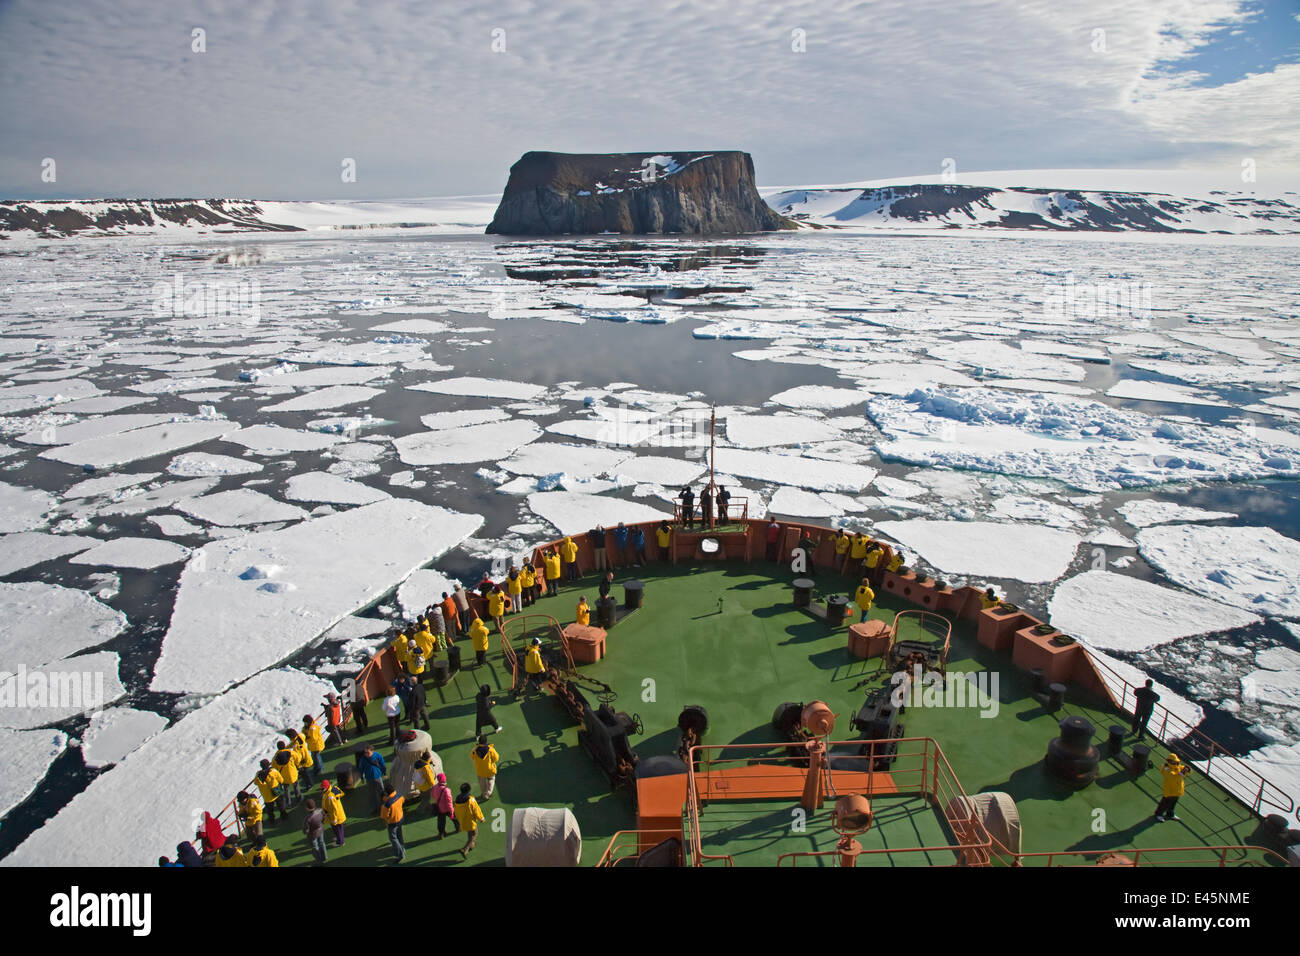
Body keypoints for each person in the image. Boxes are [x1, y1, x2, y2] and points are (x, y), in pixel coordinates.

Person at [1154, 754, 1189, 822]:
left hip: (1177, 790)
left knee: (1173, 803)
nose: (1176, 763)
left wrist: (1187, 770)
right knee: (1164, 803)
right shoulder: (1166, 769)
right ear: (1169, 761)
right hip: (1169, 790)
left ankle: (1170, 814)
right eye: (1174, 762)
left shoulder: (1177, 767)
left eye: (1176, 762)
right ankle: (1158, 814)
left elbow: (1183, 771)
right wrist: (1182, 773)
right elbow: (1173, 778)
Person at [454, 783, 485, 859]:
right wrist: (481, 818)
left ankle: (471, 845)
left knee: (469, 832)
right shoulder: (471, 800)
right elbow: (476, 810)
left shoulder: (457, 798)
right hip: (470, 821)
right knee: (474, 834)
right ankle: (465, 849)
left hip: (462, 820)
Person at [356, 745, 387, 814]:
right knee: (371, 794)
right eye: (365, 753)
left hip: (378, 777)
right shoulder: (363, 759)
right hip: (369, 778)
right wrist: (362, 778)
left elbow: (383, 764)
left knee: (381, 791)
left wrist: (384, 773)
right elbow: (361, 769)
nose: (366, 754)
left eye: (368, 753)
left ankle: (385, 805)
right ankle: (374, 808)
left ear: (372, 751)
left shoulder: (378, 756)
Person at [380, 782, 406, 863]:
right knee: (399, 835)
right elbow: (403, 801)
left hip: (392, 822)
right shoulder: (399, 795)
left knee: (393, 838)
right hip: (400, 818)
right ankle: (402, 848)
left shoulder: (387, 805)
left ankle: (400, 854)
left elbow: (384, 816)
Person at [272, 740, 302, 808]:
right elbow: (297, 758)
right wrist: (297, 765)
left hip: (283, 776)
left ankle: (288, 802)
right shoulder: (290, 752)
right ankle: (299, 798)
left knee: (286, 789)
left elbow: (274, 767)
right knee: (296, 786)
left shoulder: (275, 757)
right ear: (284, 746)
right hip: (292, 774)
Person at [471, 734, 501, 801]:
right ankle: (488, 793)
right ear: (486, 741)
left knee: (482, 781)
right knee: (491, 779)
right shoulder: (491, 750)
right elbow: (496, 758)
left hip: (480, 770)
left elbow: (472, 757)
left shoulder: (475, 750)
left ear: (479, 741)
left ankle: (484, 793)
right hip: (490, 769)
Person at [321, 779, 346, 848]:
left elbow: (333, 809)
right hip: (338, 814)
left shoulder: (330, 797)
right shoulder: (332, 790)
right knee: (339, 828)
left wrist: (334, 819)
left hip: (335, 816)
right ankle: (340, 838)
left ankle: (340, 842)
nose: (322, 789)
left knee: (337, 829)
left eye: (323, 788)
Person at [302, 797, 327, 864]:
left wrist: (305, 832)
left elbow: (306, 830)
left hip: (312, 834)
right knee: (322, 843)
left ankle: (319, 861)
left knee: (315, 847)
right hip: (320, 830)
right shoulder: (320, 810)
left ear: (307, 808)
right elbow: (324, 818)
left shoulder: (308, 819)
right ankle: (324, 857)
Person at [430, 772, 455, 838]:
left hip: (439, 808)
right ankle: (458, 828)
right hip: (446, 809)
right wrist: (451, 811)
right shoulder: (446, 790)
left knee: (440, 822)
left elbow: (432, 794)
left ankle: (441, 833)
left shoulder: (435, 787)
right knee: (454, 818)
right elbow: (449, 802)